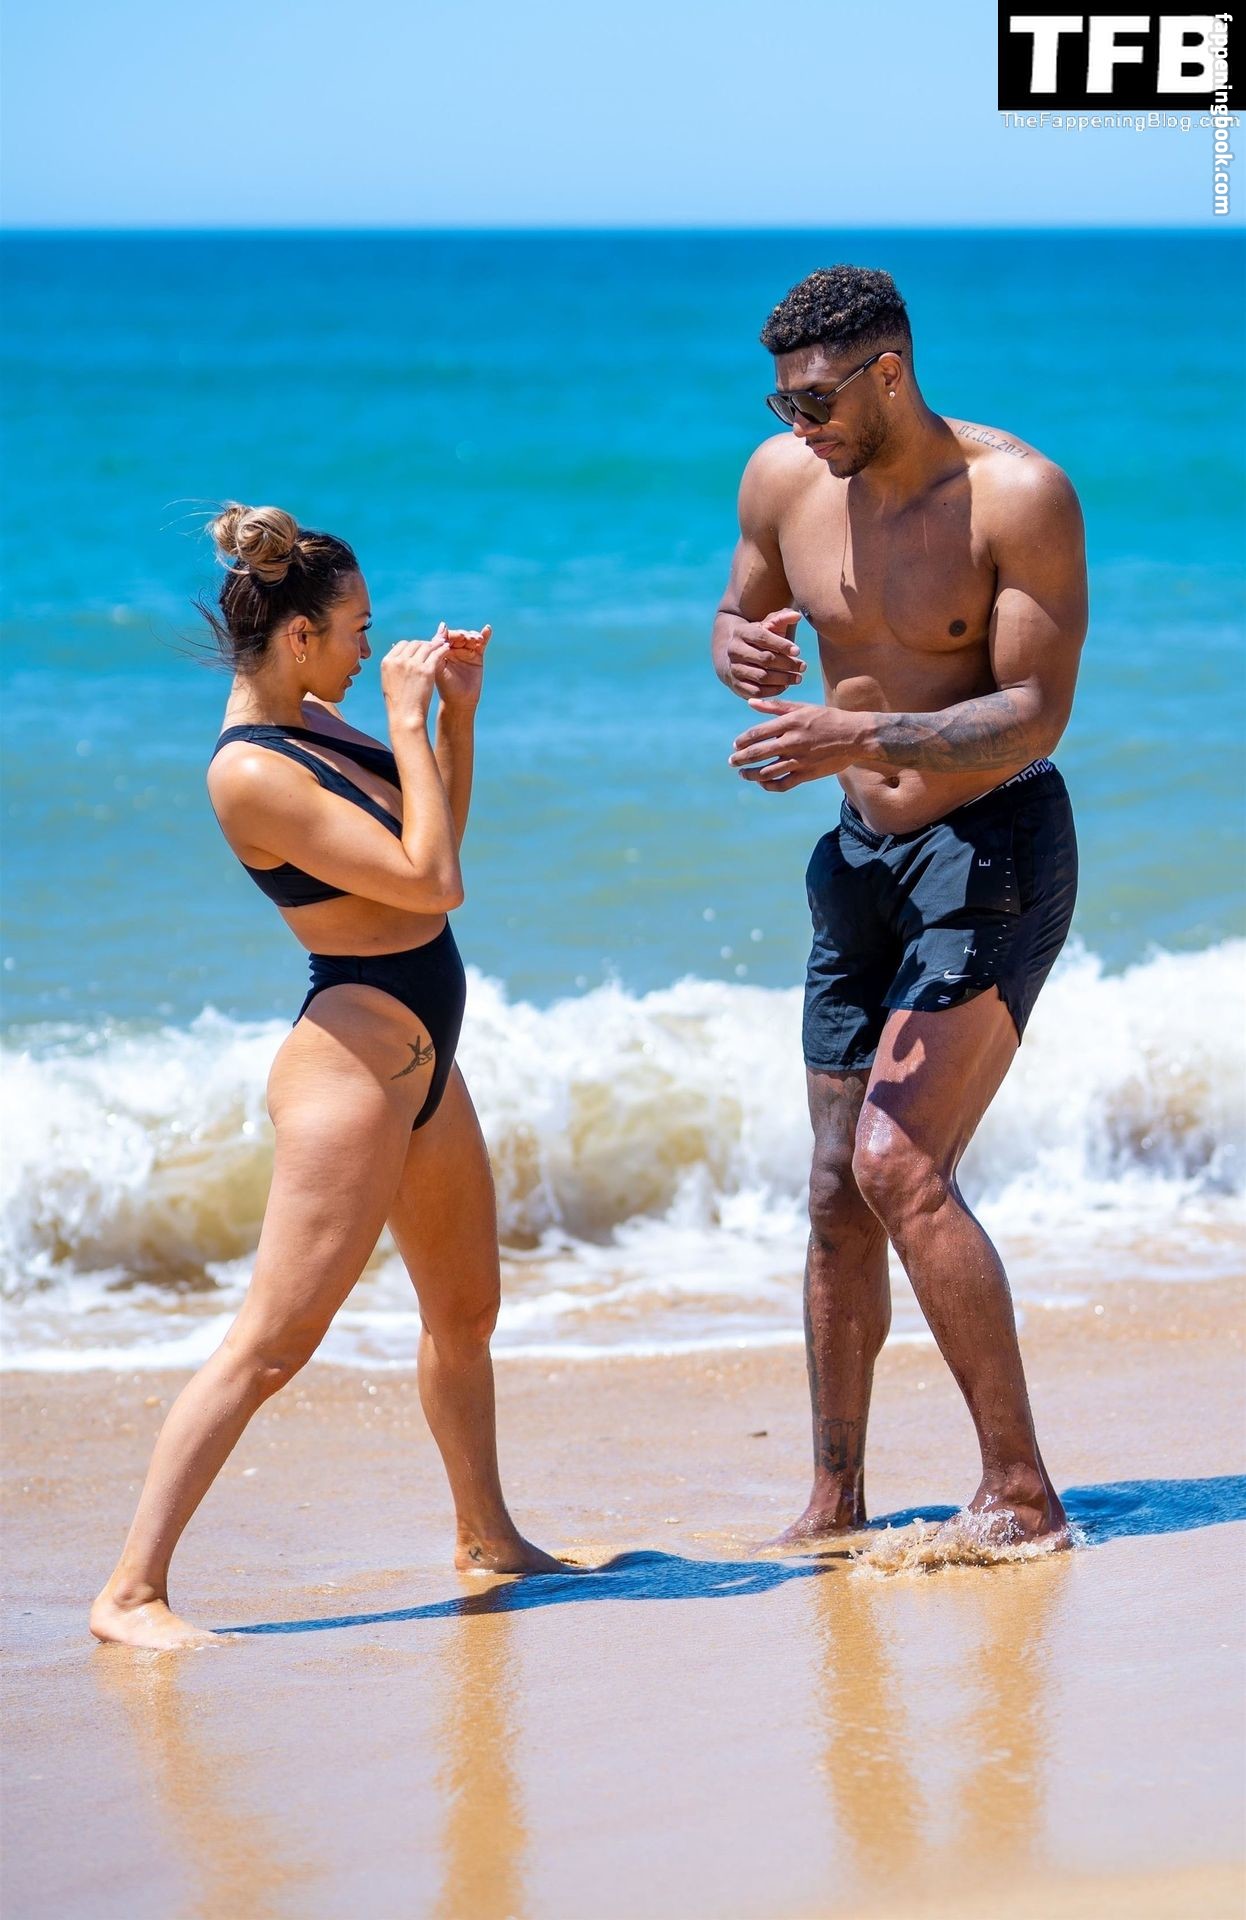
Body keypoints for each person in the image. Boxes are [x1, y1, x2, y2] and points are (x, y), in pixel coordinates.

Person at [91, 504, 563, 1649]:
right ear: (298, 636)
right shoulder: (248, 773)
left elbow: (434, 843)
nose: (368, 647)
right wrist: (404, 716)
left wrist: (454, 718)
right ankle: (131, 1593)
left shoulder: (315, 720)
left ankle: (486, 1536)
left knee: (466, 1311)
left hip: (421, 1053)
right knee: (272, 1343)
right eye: (356, 629)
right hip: (350, 1066)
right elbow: (432, 883)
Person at [713, 267, 1086, 1545]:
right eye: (781, 400)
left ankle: (1021, 1492)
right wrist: (735, 643)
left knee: (897, 1163)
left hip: (992, 844)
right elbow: (739, 605)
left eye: (817, 399)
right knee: (833, 1186)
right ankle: (835, 1499)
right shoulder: (781, 478)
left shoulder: (1015, 496)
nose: (797, 423)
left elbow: (1033, 713)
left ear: (889, 373)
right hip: (858, 857)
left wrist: (857, 732)